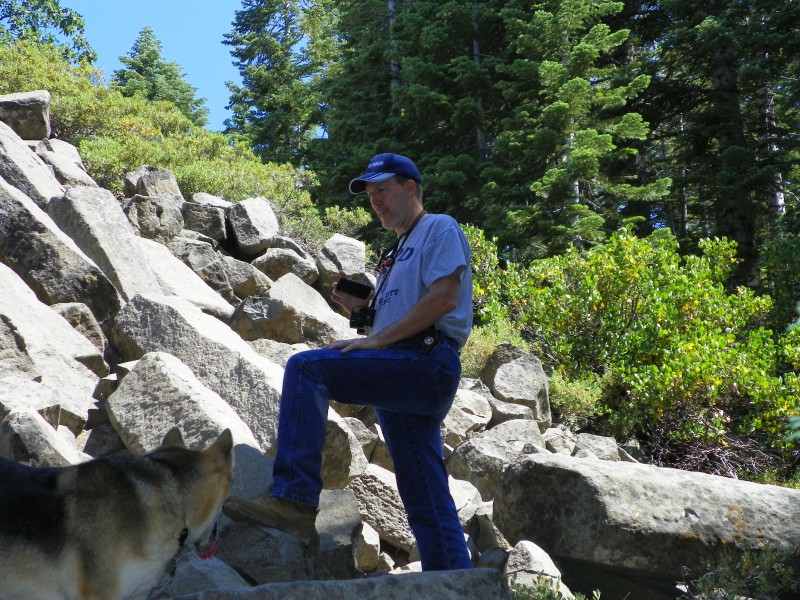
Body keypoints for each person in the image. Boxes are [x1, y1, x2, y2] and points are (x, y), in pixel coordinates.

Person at [223, 153, 474, 571]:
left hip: (427, 360)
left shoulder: (437, 227)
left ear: (410, 186)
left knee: (306, 368)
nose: (375, 200)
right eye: (370, 194)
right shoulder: (395, 252)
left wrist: (376, 339)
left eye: (382, 189)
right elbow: (398, 314)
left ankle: (295, 500)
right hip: (406, 367)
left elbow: (444, 298)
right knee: (424, 495)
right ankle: (457, 584)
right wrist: (364, 310)